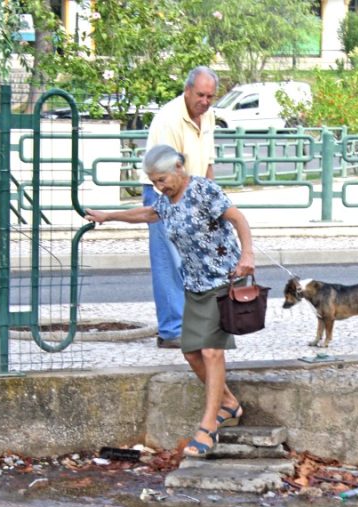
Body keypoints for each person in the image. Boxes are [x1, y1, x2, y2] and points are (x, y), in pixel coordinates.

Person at [87, 145, 255, 457]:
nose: (158, 187)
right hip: (195, 284)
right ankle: (229, 403)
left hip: (224, 279)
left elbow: (237, 219)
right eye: (153, 182)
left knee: (211, 351)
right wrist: (109, 216)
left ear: (179, 167)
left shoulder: (204, 190)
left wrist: (247, 254)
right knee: (191, 353)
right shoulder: (166, 201)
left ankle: (207, 429)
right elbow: (148, 213)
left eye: (162, 179)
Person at [140, 66, 220, 350]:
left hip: (194, 193)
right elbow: (167, 174)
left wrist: (210, 198)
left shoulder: (207, 115)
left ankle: (192, 324)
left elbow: (207, 160)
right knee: (169, 262)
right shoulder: (168, 120)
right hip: (165, 192)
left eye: (210, 96)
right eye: (200, 95)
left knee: (192, 261)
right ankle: (172, 329)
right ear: (187, 91)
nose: (205, 101)